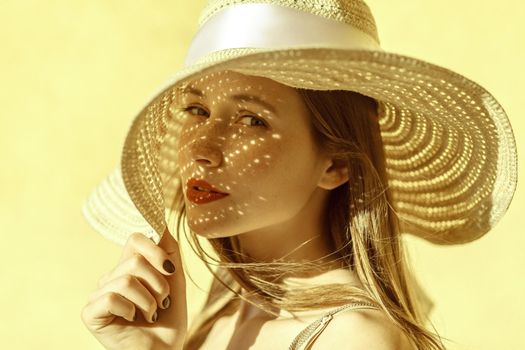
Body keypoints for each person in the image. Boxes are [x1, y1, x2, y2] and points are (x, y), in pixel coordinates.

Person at [80, 1, 518, 349]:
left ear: (336, 164)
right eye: (197, 109)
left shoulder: (351, 339)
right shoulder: (229, 299)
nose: (201, 149)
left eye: (252, 120)